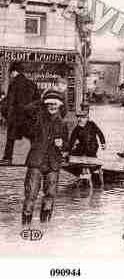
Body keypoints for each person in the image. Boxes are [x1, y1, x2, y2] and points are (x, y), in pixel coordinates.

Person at [21, 90, 69, 225]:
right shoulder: (37, 119)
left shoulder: (63, 123)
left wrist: (62, 145)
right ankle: (25, 228)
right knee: (30, 195)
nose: (52, 106)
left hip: (53, 164)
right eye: (49, 104)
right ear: (45, 105)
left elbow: (67, 145)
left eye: (55, 104)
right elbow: (25, 111)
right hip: (36, 162)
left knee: (50, 196)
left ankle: (45, 228)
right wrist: (41, 100)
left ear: (59, 106)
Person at [2, 62, 39, 163]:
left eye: (11, 73)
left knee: (10, 138)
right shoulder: (32, 84)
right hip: (28, 117)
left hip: (16, 117)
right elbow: (37, 101)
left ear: (14, 72)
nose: (10, 75)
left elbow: (10, 102)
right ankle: (35, 158)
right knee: (33, 138)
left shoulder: (14, 84)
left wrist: (8, 117)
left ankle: (7, 158)